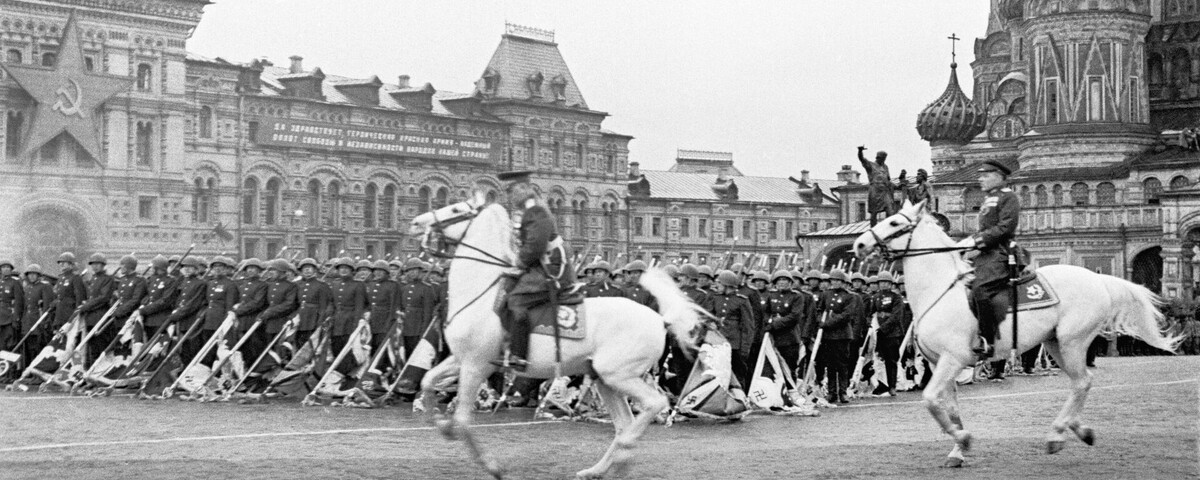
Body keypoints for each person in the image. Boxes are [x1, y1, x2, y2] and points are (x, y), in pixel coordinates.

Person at [493, 171, 576, 371]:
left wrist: (519, 264)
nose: (509, 196)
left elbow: (536, 245)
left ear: (523, 190)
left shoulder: (535, 211)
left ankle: (519, 355)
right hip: (540, 265)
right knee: (506, 290)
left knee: (517, 299)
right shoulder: (528, 211)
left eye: (511, 190)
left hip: (551, 268)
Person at [955, 159, 1021, 358]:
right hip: (984, 253)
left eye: (985, 175)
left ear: (999, 177)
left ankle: (987, 339)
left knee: (980, 288)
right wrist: (968, 242)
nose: (980, 179)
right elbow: (985, 228)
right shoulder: (989, 198)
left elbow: (1005, 227)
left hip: (1000, 253)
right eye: (980, 175)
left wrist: (976, 241)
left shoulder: (1009, 197)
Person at [703, 270, 757, 387]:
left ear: (727, 285)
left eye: (720, 284)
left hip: (735, 344)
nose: (717, 286)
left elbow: (748, 327)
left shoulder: (741, 300)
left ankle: (739, 398)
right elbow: (707, 316)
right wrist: (710, 323)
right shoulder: (715, 298)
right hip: (718, 342)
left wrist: (745, 348)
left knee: (738, 374)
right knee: (718, 372)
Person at [815, 269, 861, 404]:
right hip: (828, 336)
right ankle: (831, 392)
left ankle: (843, 392)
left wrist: (827, 323)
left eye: (838, 280)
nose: (835, 283)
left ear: (843, 282)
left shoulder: (849, 296)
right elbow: (819, 310)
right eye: (833, 280)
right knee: (830, 364)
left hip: (842, 334)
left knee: (842, 364)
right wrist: (820, 321)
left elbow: (847, 315)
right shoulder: (825, 294)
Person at [77, 253, 116, 365]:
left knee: (101, 345)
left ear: (103, 265)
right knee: (92, 346)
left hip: (101, 316)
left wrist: (87, 306)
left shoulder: (107, 279)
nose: (95, 267)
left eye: (98, 264)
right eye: (93, 264)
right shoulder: (93, 279)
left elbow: (103, 298)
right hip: (90, 317)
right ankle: (91, 370)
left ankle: (101, 369)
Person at [872, 272, 906, 396]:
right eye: (881, 282)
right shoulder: (876, 297)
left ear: (891, 284)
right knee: (880, 359)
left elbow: (896, 316)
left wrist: (883, 328)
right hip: (879, 333)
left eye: (886, 282)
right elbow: (872, 312)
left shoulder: (896, 297)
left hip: (892, 332)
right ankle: (882, 384)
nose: (883, 284)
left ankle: (892, 386)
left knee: (891, 360)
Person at [294, 258, 332, 348]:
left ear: (315, 270)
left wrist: (320, 321)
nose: (307, 270)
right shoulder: (297, 284)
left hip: (313, 318)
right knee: (299, 342)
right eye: (304, 268)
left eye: (309, 268)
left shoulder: (322, 285)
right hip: (300, 318)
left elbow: (323, 306)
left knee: (311, 344)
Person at [20, 264, 53, 363]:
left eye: (34, 274)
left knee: (37, 348)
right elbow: (25, 307)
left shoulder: (44, 286)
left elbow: (47, 306)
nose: (32, 276)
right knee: (28, 348)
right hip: (27, 322)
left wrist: (45, 321)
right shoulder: (27, 288)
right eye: (30, 274)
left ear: (38, 275)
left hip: (38, 321)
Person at [858, 146, 896, 225]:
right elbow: (862, 159)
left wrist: (897, 185)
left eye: (884, 158)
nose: (883, 160)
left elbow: (888, 180)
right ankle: (873, 228)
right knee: (874, 212)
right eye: (882, 158)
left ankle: (889, 228)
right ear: (878, 158)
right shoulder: (871, 165)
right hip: (875, 191)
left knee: (890, 210)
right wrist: (860, 151)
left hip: (885, 191)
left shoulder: (885, 167)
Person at [0, 259, 25, 352]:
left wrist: (16, 318)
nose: (6, 269)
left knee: (9, 343)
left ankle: (10, 365)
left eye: (8, 267)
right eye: (3, 267)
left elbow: (19, 302)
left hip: (9, 317)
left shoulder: (15, 281)